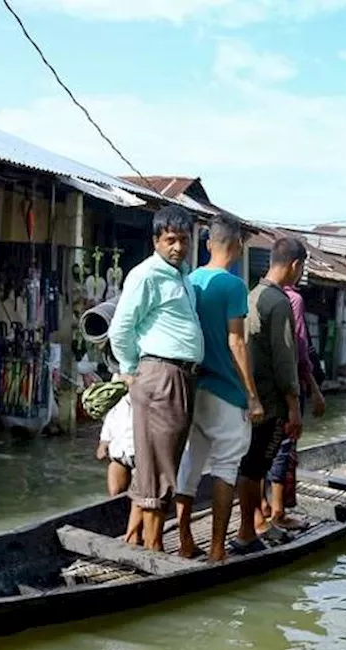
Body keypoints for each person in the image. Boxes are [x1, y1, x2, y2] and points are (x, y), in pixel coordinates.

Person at [108, 205, 205, 551]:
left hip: (180, 376)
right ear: (156, 241)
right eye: (170, 240)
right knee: (157, 468)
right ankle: (153, 550)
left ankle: (147, 544)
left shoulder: (181, 276)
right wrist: (130, 370)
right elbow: (120, 328)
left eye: (183, 240)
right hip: (159, 375)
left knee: (166, 463)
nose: (177, 247)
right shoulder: (147, 274)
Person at [172, 215, 261, 562]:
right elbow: (236, 340)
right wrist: (251, 394)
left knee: (189, 467)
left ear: (208, 244)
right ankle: (218, 549)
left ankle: (183, 542)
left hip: (193, 388)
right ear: (238, 246)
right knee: (225, 468)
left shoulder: (190, 280)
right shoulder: (234, 286)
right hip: (226, 390)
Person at [235, 234, 305, 553]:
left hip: (249, 398)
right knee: (255, 468)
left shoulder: (252, 296)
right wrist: (294, 406)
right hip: (270, 402)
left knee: (248, 466)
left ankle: (256, 521)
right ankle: (248, 530)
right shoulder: (279, 302)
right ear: (295, 266)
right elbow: (285, 359)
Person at [259, 256, 328, 535]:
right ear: (296, 265)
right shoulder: (292, 300)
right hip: (287, 385)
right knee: (284, 447)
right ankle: (278, 511)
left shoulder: (258, 294)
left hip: (262, 386)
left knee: (261, 448)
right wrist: (313, 386)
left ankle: (262, 507)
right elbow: (297, 348)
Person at [96, 387, 142, 545]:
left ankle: (134, 535)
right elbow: (110, 419)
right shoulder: (117, 394)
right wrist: (103, 442)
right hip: (119, 452)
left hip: (142, 453)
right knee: (116, 494)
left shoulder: (150, 390)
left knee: (142, 496)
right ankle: (121, 530)